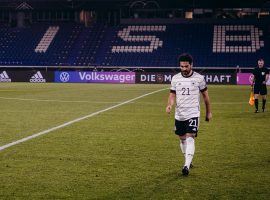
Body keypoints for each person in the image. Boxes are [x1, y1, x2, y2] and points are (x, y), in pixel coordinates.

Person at [166, 53, 212, 176]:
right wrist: (170, 104)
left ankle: (186, 166)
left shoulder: (199, 78)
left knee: (190, 137)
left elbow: (206, 97)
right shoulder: (175, 78)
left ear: (191, 65)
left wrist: (208, 112)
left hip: (193, 113)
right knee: (182, 139)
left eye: (186, 66)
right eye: (182, 67)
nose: (184, 69)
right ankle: (188, 160)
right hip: (179, 114)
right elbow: (172, 94)